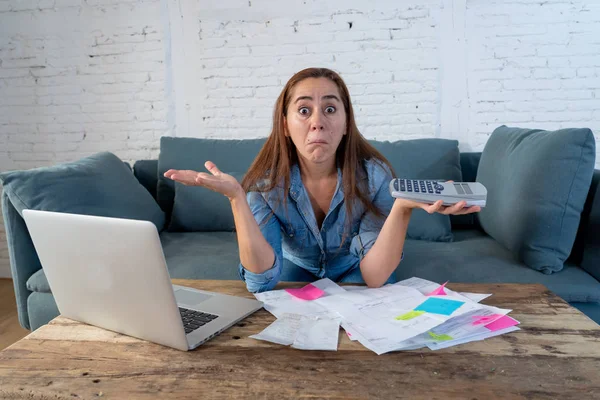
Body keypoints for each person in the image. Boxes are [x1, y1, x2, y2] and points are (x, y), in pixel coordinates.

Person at [164, 67, 480, 293]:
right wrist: (237, 197)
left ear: (345, 124)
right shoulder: (263, 187)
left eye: (330, 108)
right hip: (296, 265)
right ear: (285, 125)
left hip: (352, 266)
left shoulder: (374, 177)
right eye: (304, 110)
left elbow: (374, 277)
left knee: (379, 301)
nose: (317, 122)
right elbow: (260, 281)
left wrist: (402, 208)